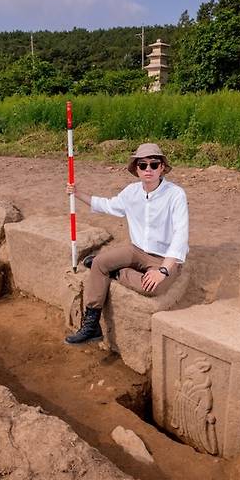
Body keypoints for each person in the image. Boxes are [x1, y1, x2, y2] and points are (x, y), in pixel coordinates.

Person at [64, 142, 189, 344]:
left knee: (153, 287)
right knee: (99, 263)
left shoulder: (175, 195)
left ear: (162, 167)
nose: (148, 169)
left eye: (154, 164)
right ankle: (92, 325)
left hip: (163, 258)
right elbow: (108, 205)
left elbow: (180, 235)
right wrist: (78, 194)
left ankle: (117, 272)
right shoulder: (131, 192)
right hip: (136, 250)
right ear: (136, 169)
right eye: (143, 165)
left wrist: (164, 271)